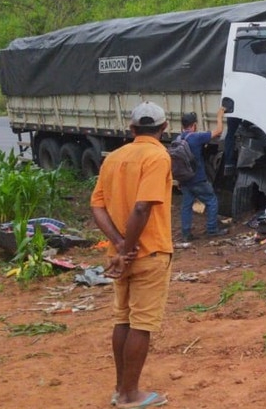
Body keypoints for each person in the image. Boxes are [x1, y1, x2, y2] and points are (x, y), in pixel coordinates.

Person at [90, 101, 173, 408]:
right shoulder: (158, 156)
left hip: (118, 258)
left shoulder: (113, 158)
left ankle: (120, 388)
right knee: (142, 323)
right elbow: (142, 206)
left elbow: (97, 205)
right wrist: (129, 246)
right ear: (164, 129)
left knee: (122, 319)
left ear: (132, 128)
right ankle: (130, 394)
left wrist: (118, 244)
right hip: (148, 253)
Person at [177, 107, 228, 241]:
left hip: (184, 179)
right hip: (198, 179)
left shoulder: (178, 139)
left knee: (186, 205)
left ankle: (186, 233)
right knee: (211, 201)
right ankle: (212, 230)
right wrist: (219, 116)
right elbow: (218, 131)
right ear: (194, 125)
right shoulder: (196, 137)